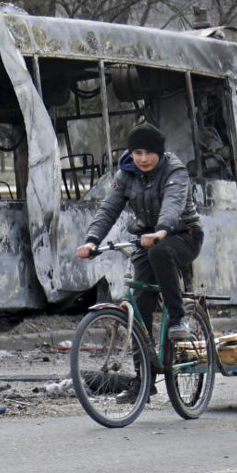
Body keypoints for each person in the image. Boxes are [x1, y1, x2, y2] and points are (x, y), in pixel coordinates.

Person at [76, 122, 203, 341]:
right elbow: (109, 208)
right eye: (138, 153)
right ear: (131, 153)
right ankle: (143, 373)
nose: (143, 159)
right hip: (148, 238)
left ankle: (177, 318)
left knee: (159, 251)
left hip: (184, 234)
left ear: (160, 153)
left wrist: (161, 231)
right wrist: (91, 240)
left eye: (149, 153)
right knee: (140, 305)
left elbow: (173, 204)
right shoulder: (125, 174)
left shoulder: (175, 171)